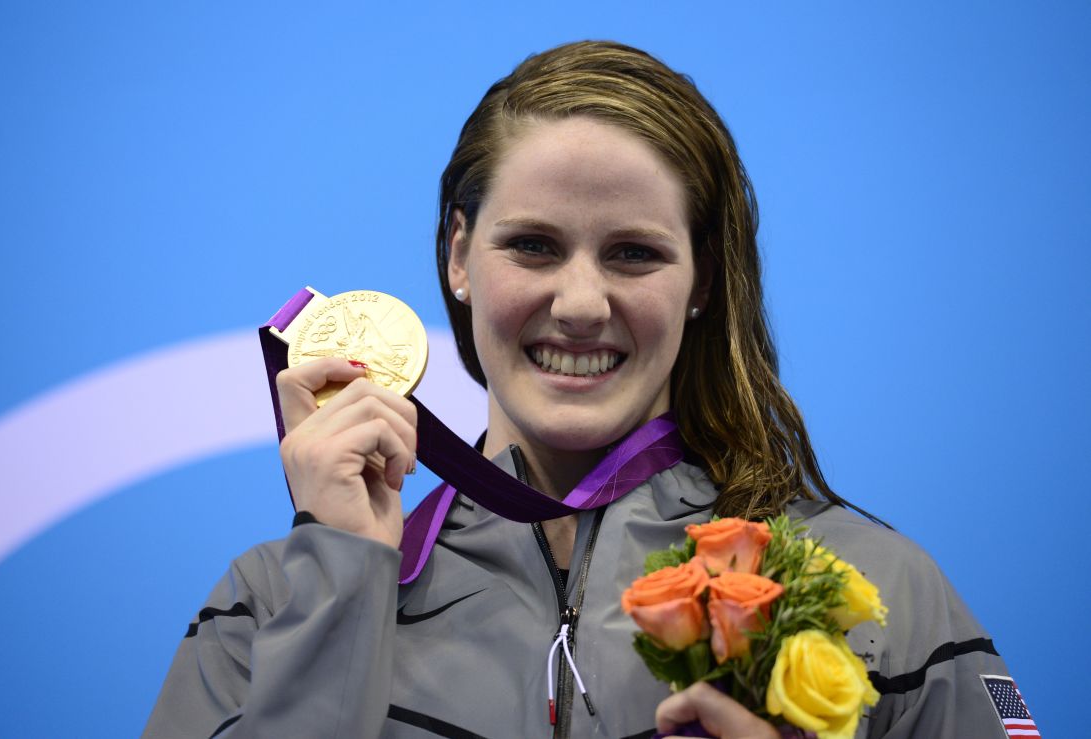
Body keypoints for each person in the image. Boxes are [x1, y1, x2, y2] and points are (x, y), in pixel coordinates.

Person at [145, 41, 1024, 738]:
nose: (578, 303)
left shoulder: (875, 592)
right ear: (458, 255)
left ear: (704, 280)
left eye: (633, 253)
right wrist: (341, 574)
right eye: (532, 245)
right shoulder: (268, 604)